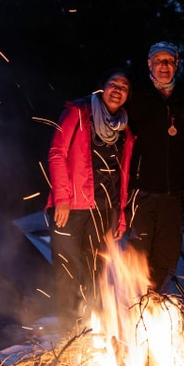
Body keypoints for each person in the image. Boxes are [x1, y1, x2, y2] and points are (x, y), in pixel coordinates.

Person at [46, 68, 134, 331]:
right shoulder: (78, 113)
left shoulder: (124, 128)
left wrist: (120, 215)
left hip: (103, 210)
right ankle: (67, 330)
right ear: (102, 88)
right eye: (113, 84)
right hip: (71, 208)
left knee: (98, 271)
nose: (117, 90)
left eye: (124, 87)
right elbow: (56, 153)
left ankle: (95, 328)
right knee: (68, 270)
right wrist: (62, 198)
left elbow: (122, 175)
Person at [125, 41, 184, 294]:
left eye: (169, 61)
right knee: (138, 253)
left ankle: (154, 306)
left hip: (175, 194)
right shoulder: (136, 97)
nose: (164, 66)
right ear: (150, 64)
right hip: (142, 191)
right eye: (159, 61)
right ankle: (133, 306)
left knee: (167, 254)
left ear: (176, 64)